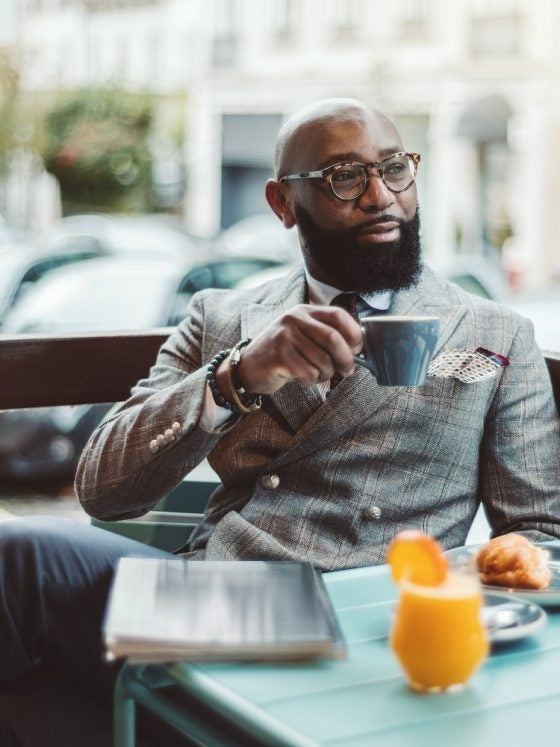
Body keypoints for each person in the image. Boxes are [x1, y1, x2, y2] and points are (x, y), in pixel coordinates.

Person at [0, 97, 559, 745]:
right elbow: (104, 489)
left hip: (374, 611)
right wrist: (235, 377)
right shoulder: (221, 318)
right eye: (344, 177)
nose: (381, 197)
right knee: (19, 557)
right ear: (282, 203)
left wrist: (451, 593)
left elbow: (537, 534)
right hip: (221, 596)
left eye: (394, 168)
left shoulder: (497, 332)